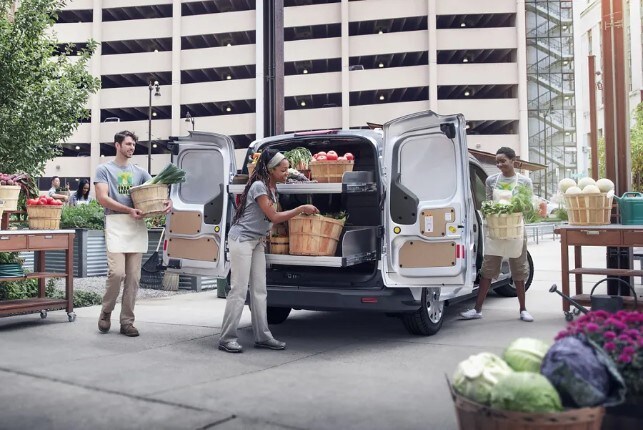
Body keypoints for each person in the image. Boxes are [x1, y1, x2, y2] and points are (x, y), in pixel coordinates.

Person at [219, 149, 319, 353]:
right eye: (282, 170)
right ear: (271, 170)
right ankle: (227, 338)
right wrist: (301, 209)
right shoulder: (258, 187)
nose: (286, 172)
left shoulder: (273, 187)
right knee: (239, 290)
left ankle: (263, 336)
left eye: (287, 169)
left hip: (257, 241)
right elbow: (273, 216)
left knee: (260, 290)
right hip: (242, 240)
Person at [94, 131, 172, 337]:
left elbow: (157, 190)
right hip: (116, 223)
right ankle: (106, 311)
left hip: (136, 225)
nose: (132, 147)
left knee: (134, 277)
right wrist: (128, 210)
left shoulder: (140, 172)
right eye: (128, 144)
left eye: (134, 145)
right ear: (117, 145)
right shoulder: (104, 170)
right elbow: (102, 198)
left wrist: (166, 201)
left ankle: (127, 321)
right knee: (117, 273)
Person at [460, 147, 534, 322]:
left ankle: (523, 309)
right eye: (497, 162)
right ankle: (477, 309)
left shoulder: (524, 182)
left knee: (519, 269)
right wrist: (491, 211)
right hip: (495, 230)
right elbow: (487, 203)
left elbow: (528, 207)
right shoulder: (491, 181)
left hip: (515, 229)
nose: (500, 164)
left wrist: (516, 208)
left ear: (513, 161)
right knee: (487, 269)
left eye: (503, 161)